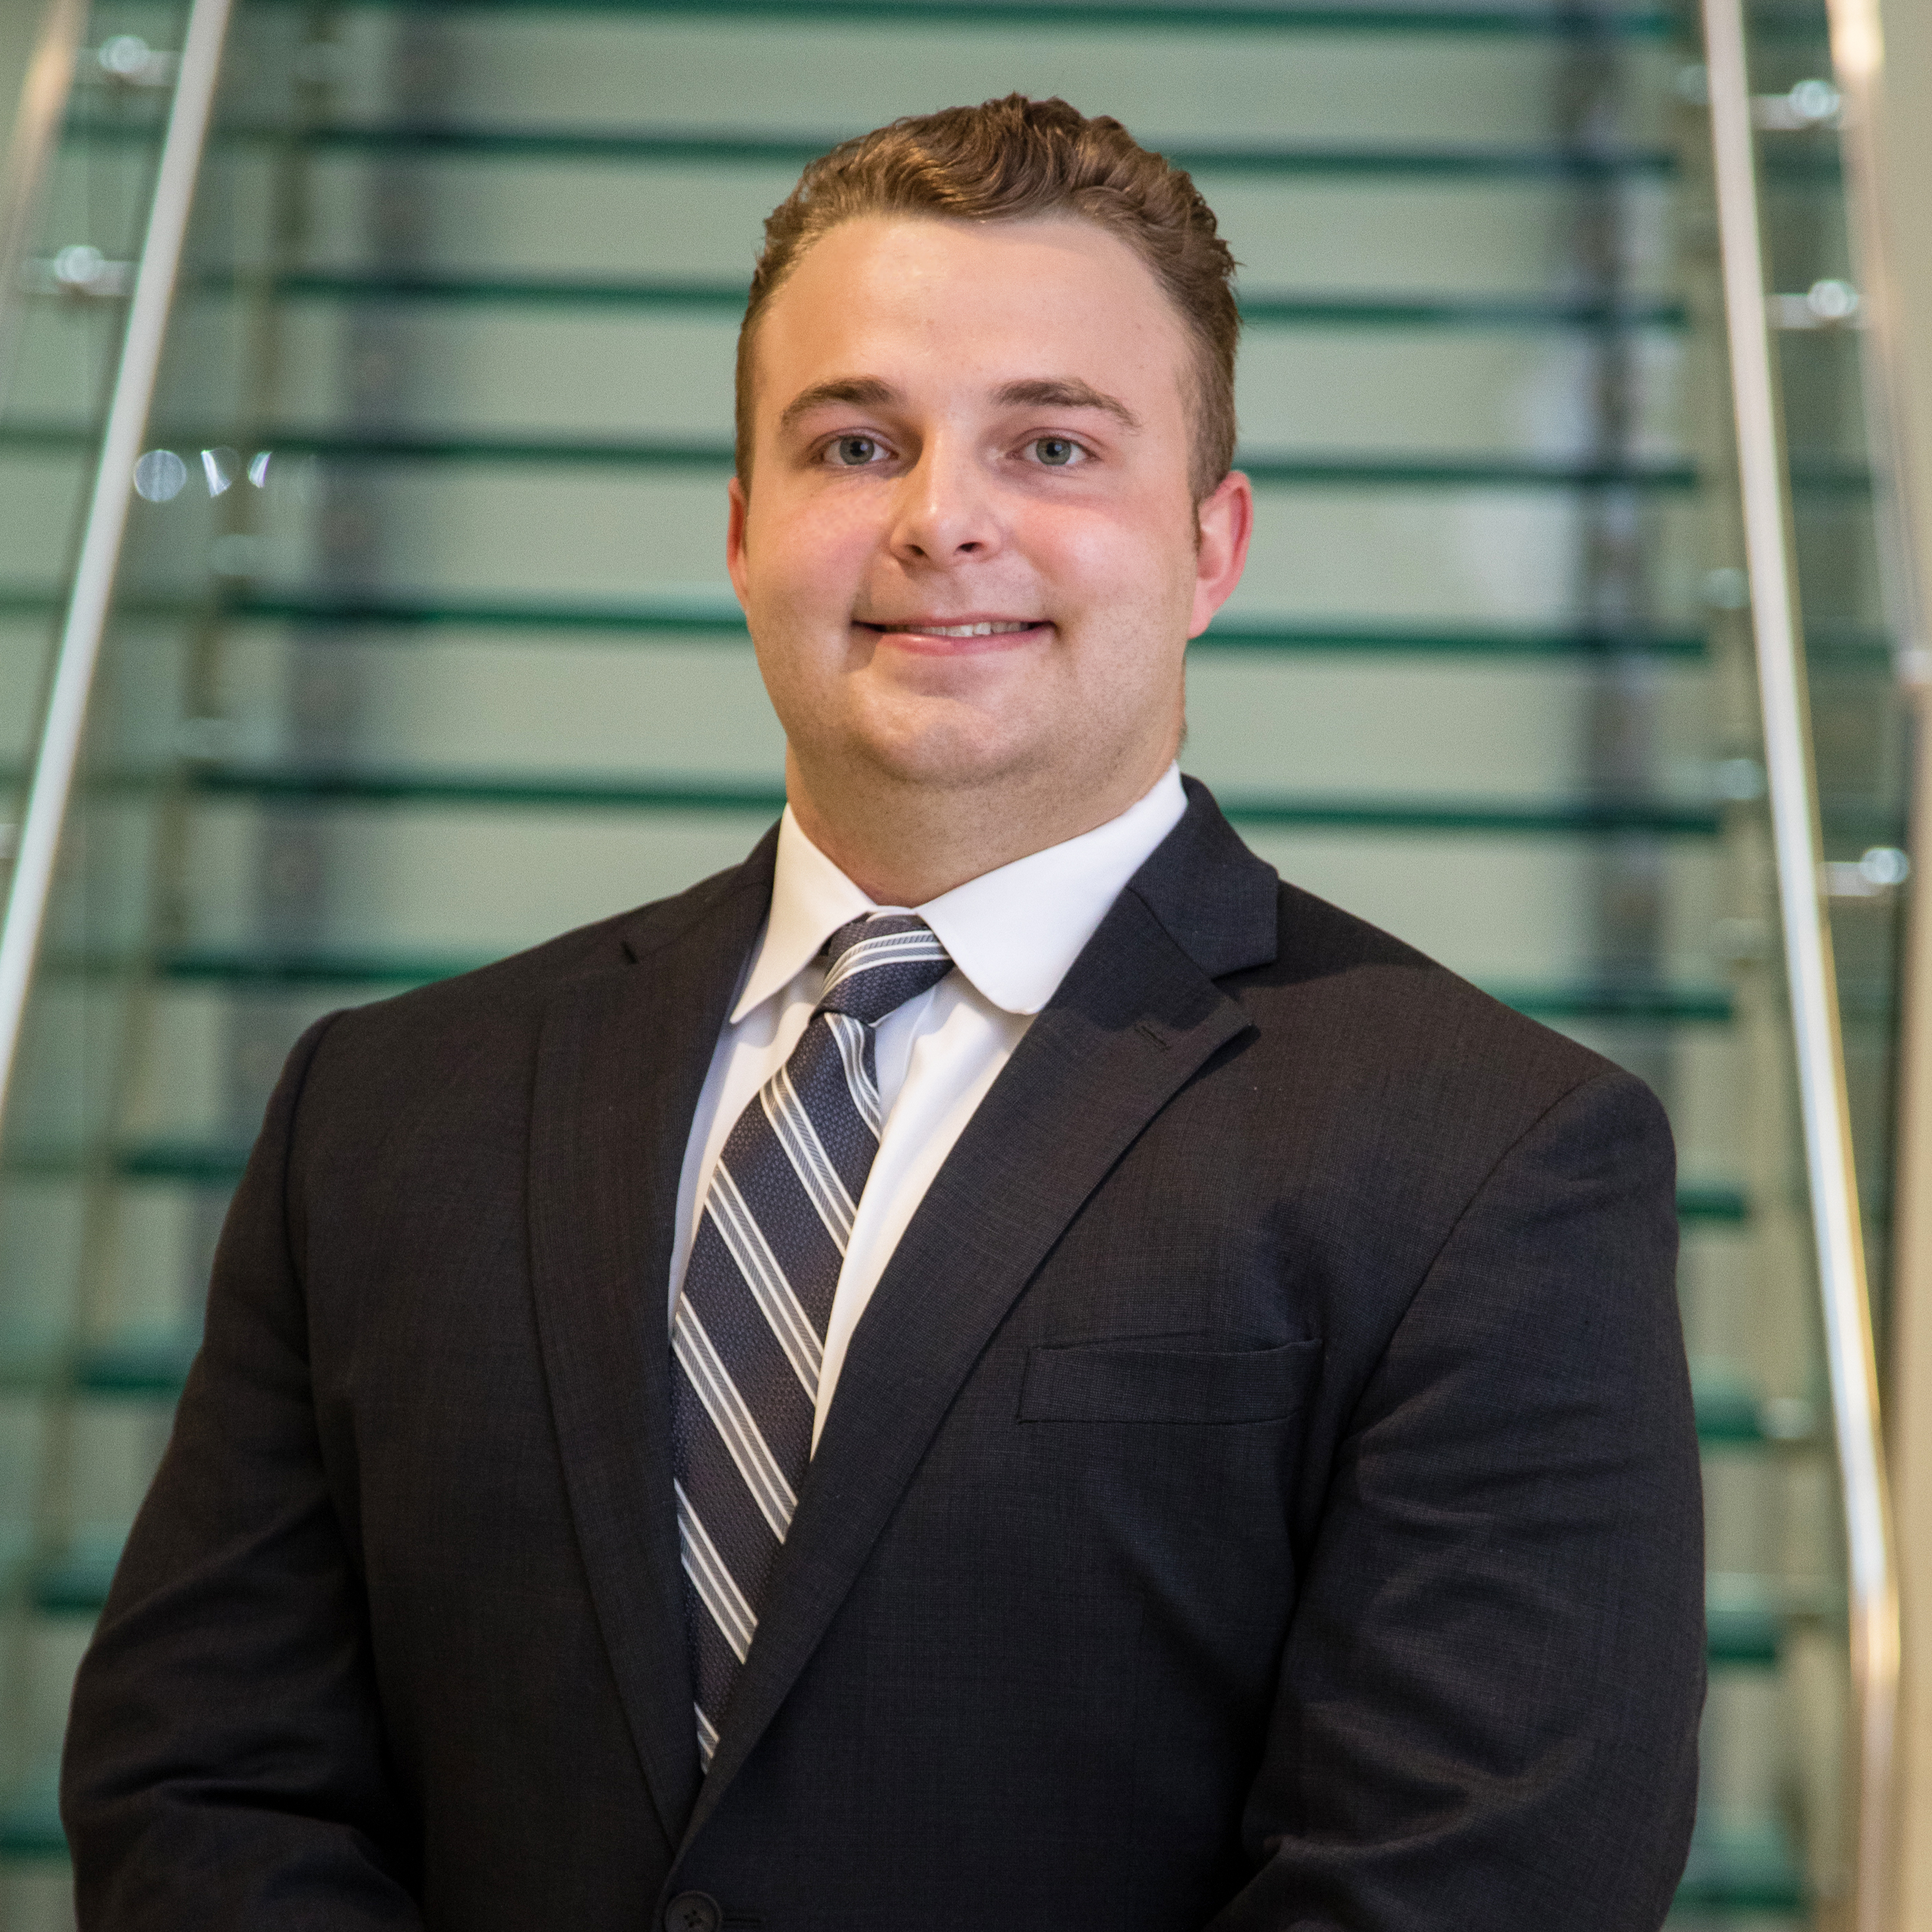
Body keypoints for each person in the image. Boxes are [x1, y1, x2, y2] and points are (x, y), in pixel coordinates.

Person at [62, 94, 1704, 1931]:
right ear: (747, 532)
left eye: (1055, 447)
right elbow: (203, 1786)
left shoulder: (1488, 1156)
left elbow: (1471, 1884)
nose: (944, 523)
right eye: (858, 442)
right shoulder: (385, 1112)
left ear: (1212, 546)